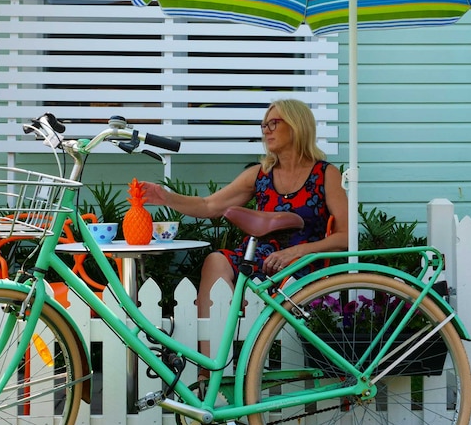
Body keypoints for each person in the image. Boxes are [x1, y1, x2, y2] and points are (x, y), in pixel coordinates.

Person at [141, 98, 349, 317]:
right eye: (264, 126)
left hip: (301, 264)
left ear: (297, 125)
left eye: (273, 123)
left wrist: (296, 252)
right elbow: (209, 205)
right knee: (215, 261)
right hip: (258, 259)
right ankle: (214, 349)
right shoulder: (260, 174)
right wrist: (165, 197)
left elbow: (345, 237)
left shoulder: (325, 175)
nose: (266, 131)